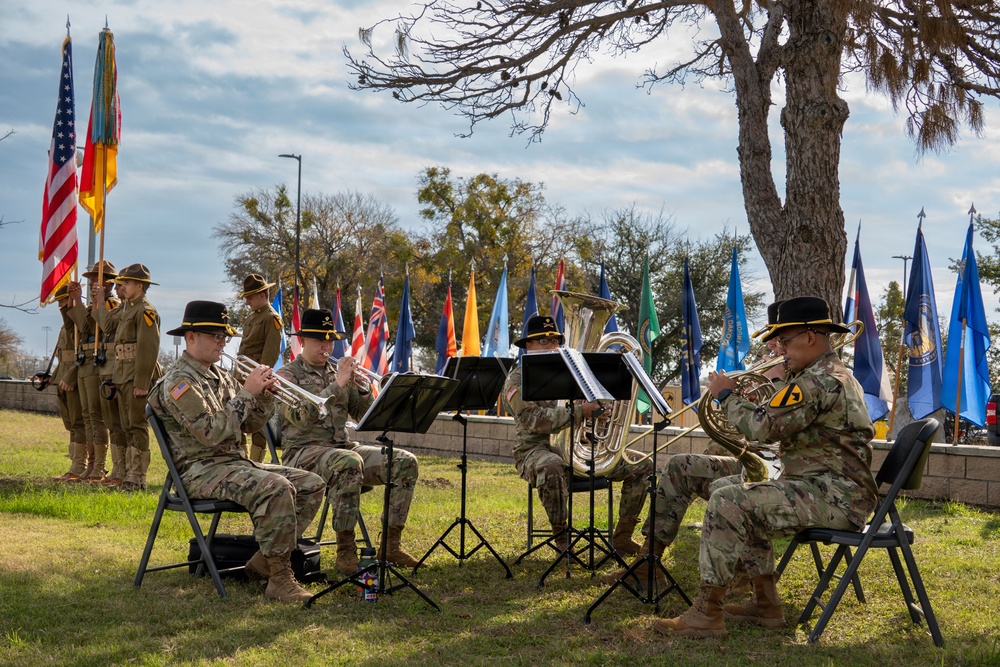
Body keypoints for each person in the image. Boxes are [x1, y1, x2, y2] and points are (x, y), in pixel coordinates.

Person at [654, 296, 878, 639]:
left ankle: (707, 613)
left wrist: (726, 396)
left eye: (785, 341)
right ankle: (765, 604)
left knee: (729, 502)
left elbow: (761, 428)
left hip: (834, 497)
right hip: (829, 490)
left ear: (810, 336)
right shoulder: (824, 375)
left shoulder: (816, 381)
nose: (780, 348)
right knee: (734, 493)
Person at [147, 300, 326, 603]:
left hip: (233, 464)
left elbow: (248, 424)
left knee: (312, 483)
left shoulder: (220, 375)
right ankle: (280, 579)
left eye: (224, 336)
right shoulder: (179, 382)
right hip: (198, 470)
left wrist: (265, 398)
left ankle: (263, 561)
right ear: (191, 337)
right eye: (215, 336)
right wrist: (246, 393)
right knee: (278, 487)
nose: (222, 342)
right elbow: (211, 432)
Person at [601, 301, 785, 591]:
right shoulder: (777, 370)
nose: (774, 349)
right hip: (758, 464)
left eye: (780, 341)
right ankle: (649, 561)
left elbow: (766, 431)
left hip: (783, 473)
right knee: (679, 465)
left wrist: (753, 392)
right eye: (773, 341)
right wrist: (742, 398)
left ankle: (747, 574)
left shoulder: (806, 379)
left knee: (727, 489)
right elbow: (742, 427)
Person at [276, 308, 421, 571]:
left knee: (404, 461)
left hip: (342, 447)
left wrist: (365, 390)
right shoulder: (288, 375)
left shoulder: (336, 370)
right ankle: (346, 550)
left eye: (330, 339)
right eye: (320, 339)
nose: (326, 345)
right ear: (303, 341)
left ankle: (391, 546)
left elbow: (364, 417)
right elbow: (298, 417)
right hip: (303, 453)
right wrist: (337, 385)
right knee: (348, 461)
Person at [501, 314, 652, 558]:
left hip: (580, 449)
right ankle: (562, 540)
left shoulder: (577, 372)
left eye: (555, 341)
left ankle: (623, 536)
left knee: (642, 465)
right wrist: (581, 411)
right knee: (552, 466)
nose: (551, 346)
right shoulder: (517, 379)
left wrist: (599, 411)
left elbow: (593, 404)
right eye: (543, 341)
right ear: (528, 346)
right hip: (534, 450)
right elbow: (533, 419)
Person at [65, 260, 118, 482]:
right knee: (87, 415)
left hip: (101, 362)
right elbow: (84, 328)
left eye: (98, 279)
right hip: (86, 362)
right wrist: (76, 300)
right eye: (91, 280)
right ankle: (90, 465)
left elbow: (105, 327)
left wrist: (100, 303)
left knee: (96, 416)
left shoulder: (112, 305)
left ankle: (99, 467)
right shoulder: (91, 306)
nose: (93, 283)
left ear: (109, 283)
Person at [110, 264, 161, 491]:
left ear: (139, 286)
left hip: (135, 376)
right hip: (123, 374)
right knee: (127, 425)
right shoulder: (128, 309)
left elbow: (148, 348)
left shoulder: (145, 310)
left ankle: (137, 477)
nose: (123, 286)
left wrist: (142, 383)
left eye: (127, 283)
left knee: (137, 424)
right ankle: (129, 475)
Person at [237, 274, 283, 463]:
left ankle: (255, 463)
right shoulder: (252, 317)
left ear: (262, 295)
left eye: (250, 297)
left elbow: (269, 354)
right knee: (237, 418)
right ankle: (240, 459)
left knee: (257, 425)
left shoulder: (272, 318)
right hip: (241, 376)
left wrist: (262, 380)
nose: (247, 302)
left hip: (257, 378)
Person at [92, 275, 129, 487]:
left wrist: (100, 301)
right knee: (113, 423)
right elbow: (104, 325)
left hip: (120, 368)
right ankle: (118, 469)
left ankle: (126, 471)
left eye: (121, 284)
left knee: (124, 423)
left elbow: (107, 328)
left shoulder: (127, 309)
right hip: (109, 367)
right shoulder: (118, 309)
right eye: (117, 284)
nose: (118, 288)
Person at [50, 283, 87, 482]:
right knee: (70, 424)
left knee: (78, 422)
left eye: (63, 300)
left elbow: (83, 354)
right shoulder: (65, 326)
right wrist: (52, 377)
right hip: (63, 377)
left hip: (74, 377)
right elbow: (62, 356)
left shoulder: (80, 323)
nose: (60, 306)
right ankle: (74, 463)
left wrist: (71, 376)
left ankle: (79, 466)